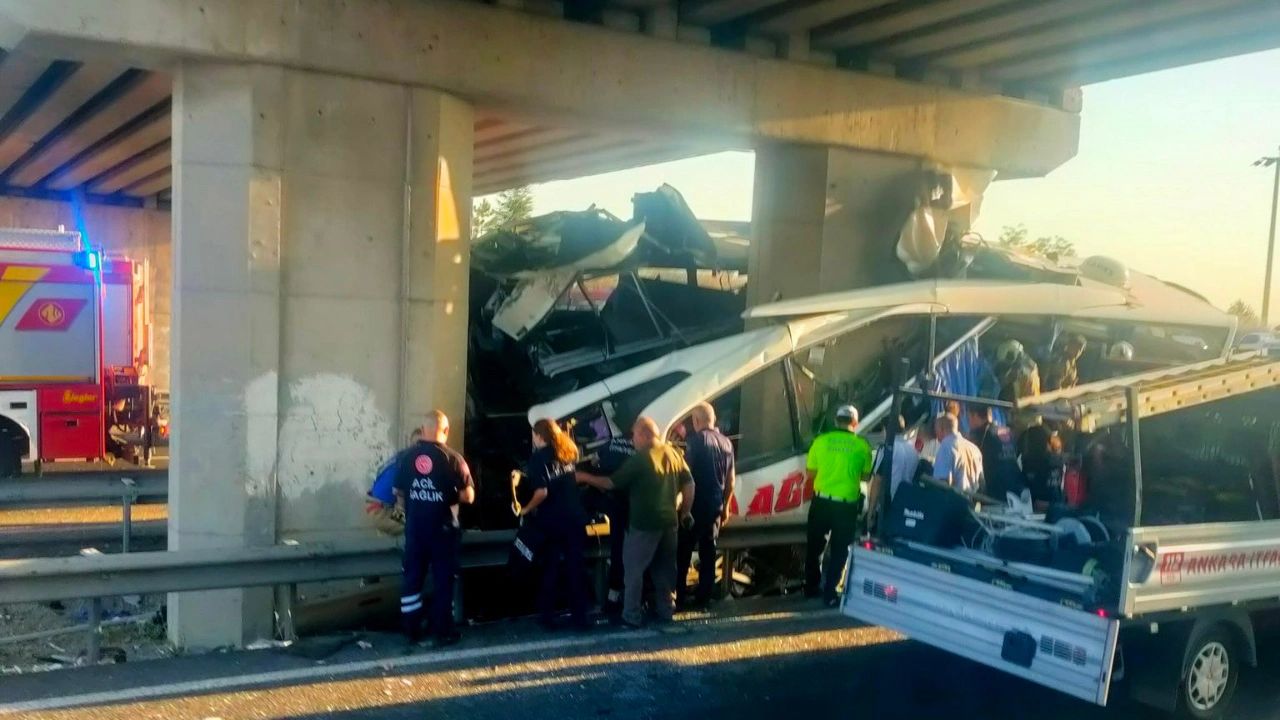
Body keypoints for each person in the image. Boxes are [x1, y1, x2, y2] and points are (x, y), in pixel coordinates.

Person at [577, 417, 694, 629]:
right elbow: (689, 484)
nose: (633, 442)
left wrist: (585, 477)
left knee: (633, 570)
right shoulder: (673, 453)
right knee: (664, 570)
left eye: (635, 436)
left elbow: (611, 483)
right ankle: (666, 610)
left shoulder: (642, 458)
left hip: (643, 523)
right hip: (669, 523)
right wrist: (685, 511)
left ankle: (631, 615)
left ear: (645, 435)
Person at [394, 410, 475, 647]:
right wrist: (446, 495)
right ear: (446, 430)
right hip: (443, 529)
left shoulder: (406, 458)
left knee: (412, 578)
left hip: (416, 528)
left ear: (423, 429)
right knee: (443, 580)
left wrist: (416, 501)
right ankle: (443, 630)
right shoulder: (454, 459)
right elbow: (469, 495)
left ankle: (411, 628)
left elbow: (397, 493)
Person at [520, 419, 590, 632]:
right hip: (575, 518)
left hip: (552, 521)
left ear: (539, 435)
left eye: (534, 435)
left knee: (550, 568)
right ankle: (580, 617)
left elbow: (542, 492)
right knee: (576, 568)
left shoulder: (538, 458)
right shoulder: (569, 452)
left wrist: (525, 509)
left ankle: (547, 618)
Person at [804, 405, 873, 607]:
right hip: (846, 506)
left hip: (821, 502)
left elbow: (810, 473)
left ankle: (811, 588)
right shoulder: (862, 446)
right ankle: (831, 592)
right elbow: (866, 476)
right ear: (855, 423)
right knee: (840, 550)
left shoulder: (821, 441)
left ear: (836, 421)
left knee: (815, 547)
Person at [677, 403, 736, 609]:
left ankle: (680, 598)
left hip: (694, 507)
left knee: (683, 553)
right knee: (709, 553)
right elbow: (731, 480)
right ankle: (703, 599)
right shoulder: (727, 443)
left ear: (695, 421)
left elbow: (685, 474)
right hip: (715, 507)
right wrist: (726, 506)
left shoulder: (696, 441)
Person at [595, 433, 636, 614]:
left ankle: (613, 597)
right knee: (637, 555)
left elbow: (596, 460)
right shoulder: (639, 448)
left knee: (617, 551)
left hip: (614, 505)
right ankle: (636, 599)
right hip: (635, 505)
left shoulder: (612, 442)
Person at [367, 428, 423, 537]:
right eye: (419, 444)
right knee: (420, 523)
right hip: (382, 511)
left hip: (375, 503)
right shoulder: (408, 462)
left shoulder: (402, 455)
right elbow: (400, 492)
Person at [965, 406, 1026, 503]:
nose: (968, 422)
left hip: (996, 490)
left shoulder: (980, 433)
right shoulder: (1007, 431)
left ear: (974, 415)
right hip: (1016, 486)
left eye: (968, 417)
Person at [932, 413, 983, 495]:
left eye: (936, 431)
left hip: (954, 502)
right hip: (972, 502)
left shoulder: (946, 448)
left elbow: (942, 483)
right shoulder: (974, 449)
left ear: (941, 429)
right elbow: (981, 483)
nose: (936, 436)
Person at [1020, 423, 1066, 511]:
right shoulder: (1057, 460)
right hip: (1057, 505)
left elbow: (1031, 492)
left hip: (1039, 511)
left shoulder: (1031, 464)